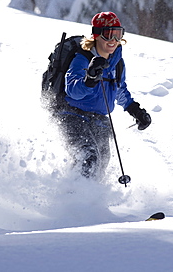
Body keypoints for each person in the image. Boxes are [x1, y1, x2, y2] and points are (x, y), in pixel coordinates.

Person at [55, 11, 151, 180]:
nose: (113, 41)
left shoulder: (117, 63)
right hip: (71, 115)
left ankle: (92, 199)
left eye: (118, 34)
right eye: (108, 35)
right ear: (97, 35)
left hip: (99, 118)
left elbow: (119, 90)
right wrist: (90, 79)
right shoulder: (82, 58)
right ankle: (74, 198)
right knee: (88, 157)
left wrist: (136, 111)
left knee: (102, 162)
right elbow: (72, 91)